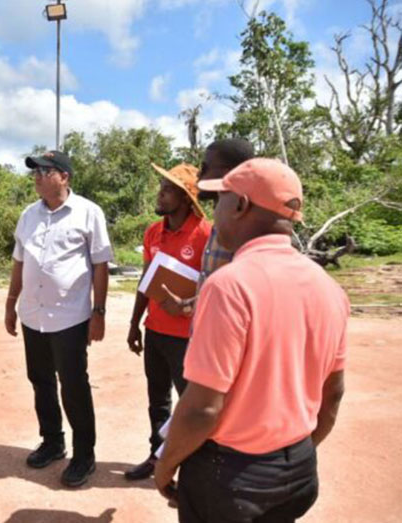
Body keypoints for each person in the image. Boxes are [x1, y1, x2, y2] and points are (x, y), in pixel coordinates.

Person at [154, 158, 349, 522]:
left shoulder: (229, 285)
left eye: (219, 201)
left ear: (240, 205)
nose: (215, 212)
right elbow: (333, 392)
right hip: (299, 469)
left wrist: (165, 466)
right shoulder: (329, 288)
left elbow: (202, 409)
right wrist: (295, 455)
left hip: (230, 478)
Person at [5, 150, 113, 488]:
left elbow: (100, 265)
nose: (36, 176)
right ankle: (52, 441)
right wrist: (11, 303)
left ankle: (84, 455)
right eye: (34, 171)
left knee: (74, 385)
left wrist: (99, 312)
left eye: (44, 171)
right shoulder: (28, 215)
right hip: (32, 315)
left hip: (70, 317)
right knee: (40, 380)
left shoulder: (88, 212)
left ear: (63, 177)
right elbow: (19, 262)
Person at [125, 163, 211, 481]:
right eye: (161, 187)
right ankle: (157, 458)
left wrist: (188, 305)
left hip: (189, 337)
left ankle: (194, 464)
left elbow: (216, 285)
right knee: (157, 400)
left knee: (190, 405)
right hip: (156, 331)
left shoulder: (206, 234)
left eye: (168, 189)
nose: (160, 193)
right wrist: (135, 323)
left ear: (187, 198)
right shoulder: (153, 231)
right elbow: (147, 279)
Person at [160, 139, 254, 316]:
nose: (199, 175)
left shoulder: (244, 231)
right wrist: (187, 306)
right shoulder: (220, 225)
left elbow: (239, 299)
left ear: (227, 173)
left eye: (205, 167)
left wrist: (187, 306)